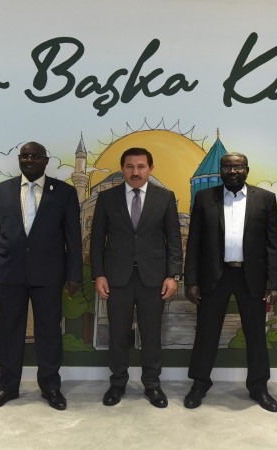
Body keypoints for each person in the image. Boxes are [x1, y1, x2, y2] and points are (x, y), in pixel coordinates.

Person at [0, 141, 82, 412]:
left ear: (46, 160)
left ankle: (50, 386)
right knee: (9, 332)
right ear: (19, 159)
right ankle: (7, 387)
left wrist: (74, 273)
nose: (29, 160)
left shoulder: (65, 192)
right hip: (10, 272)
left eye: (36, 156)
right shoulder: (1, 190)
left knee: (49, 332)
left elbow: (73, 237)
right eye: (25, 156)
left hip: (49, 274)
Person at [183, 152, 277, 412]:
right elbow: (194, 242)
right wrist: (191, 280)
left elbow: (273, 245)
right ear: (221, 170)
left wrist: (274, 284)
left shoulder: (266, 199)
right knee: (206, 332)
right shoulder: (205, 198)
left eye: (238, 167)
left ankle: (259, 387)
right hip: (214, 276)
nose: (233, 171)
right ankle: (199, 384)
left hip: (252, 276)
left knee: (256, 334)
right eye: (227, 167)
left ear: (247, 170)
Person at [90, 147, 182, 408]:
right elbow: (96, 240)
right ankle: (117, 383)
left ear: (150, 168)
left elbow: (174, 240)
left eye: (141, 166)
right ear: (122, 168)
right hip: (116, 278)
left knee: (151, 334)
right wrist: (98, 274)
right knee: (118, 334)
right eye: (130, 166)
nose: (135, 172)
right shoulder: (107, 198)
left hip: (153, 278)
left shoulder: (165, 197)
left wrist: (173, 275)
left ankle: (152, 384)